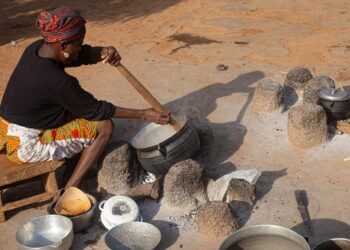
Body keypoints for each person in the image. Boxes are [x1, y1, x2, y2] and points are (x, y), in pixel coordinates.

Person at [0, 6, 170, 189]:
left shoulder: (36, 49)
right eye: (79, 44)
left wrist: (101, 52)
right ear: (63, 45)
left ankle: (73, 165)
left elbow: (76, 57)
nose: (80, 48)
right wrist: (144, 114)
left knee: (73, 109)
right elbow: (96, 110)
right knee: (104, 125)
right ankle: (70, 188)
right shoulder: (59, 82)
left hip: (5, 129)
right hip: (25, 145)